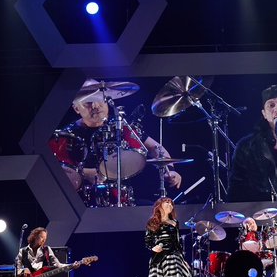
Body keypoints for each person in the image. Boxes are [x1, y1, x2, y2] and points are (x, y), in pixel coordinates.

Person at [54, 79, 182, 205]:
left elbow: (155, 148)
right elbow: (57, 172)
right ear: (76, 108)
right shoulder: (67, 135)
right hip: (82, 203)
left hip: (123, 200)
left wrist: (170, 170)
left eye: (98, 99)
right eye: (88, 102)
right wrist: (86, 173)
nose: (95, 106)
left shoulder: (121, 126)